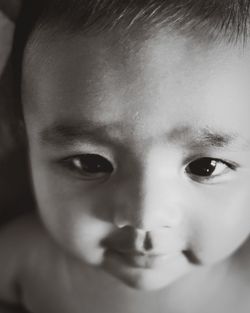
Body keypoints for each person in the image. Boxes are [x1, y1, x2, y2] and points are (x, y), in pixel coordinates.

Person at [1, 0, 250, 312]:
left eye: (206, 167)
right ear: (24, 139)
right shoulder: (25, 257)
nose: (144, 216)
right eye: (90, 163)